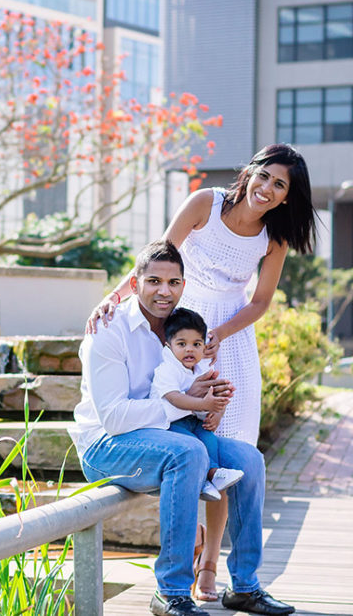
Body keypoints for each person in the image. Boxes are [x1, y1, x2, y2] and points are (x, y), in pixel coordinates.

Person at [87, 143, 317, 602]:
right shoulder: (204, 204)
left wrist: (221, 334)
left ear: (288, 196)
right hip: (183, 322)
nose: (268, 189)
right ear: (250, 171)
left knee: (236, 458)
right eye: (265, 176)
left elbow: (260, 301)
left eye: (280, 185)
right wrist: (112, 299)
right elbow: (157, 263)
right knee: (188, 444)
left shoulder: (274, 237)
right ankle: (183, 565)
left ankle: (216, 568)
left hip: (228, 336)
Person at [70, 240, 295, 616]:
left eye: (173, 282)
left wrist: (211, 404)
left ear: (183, 286)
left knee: (249, 460)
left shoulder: (185, 329)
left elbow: (198, 388)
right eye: (154, 281)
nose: (164, 291)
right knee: (189, 454)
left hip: (172, 435)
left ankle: (244, 586)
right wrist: (183, 402)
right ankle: (171, 592)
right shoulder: (108, 329)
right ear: (135, 283)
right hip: (106, 445)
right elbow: (113, 418)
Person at [151, 307, 244, 503]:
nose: (189, 349)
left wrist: (217, 413)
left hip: (192, 421)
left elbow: (216, 395)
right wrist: (203, 404)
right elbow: (174, 398)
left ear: (204, 347)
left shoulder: (202, 369)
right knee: (193, 445)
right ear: (168, 346)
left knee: (208, 437)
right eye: (181, 344)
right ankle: (205, 478)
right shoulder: (167, 369)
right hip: (168, 425)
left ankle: (212, 476)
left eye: (196, 344)